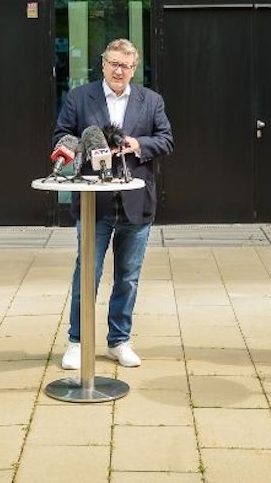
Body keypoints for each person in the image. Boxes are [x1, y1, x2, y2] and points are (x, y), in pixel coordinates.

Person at [54, 38, 173, 369]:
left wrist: (137, 144)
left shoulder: (151, 101)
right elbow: (61, 136)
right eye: (113, 64)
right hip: (95, 204)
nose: (119, 70)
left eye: (126, 65)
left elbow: (166, 139)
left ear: (134, 68)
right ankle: (77, 342)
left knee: (128, 278)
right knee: (87, 275)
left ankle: (119, 340)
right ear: (103, 64)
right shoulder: (80, 98)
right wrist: (87, 147)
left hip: (137, 202)